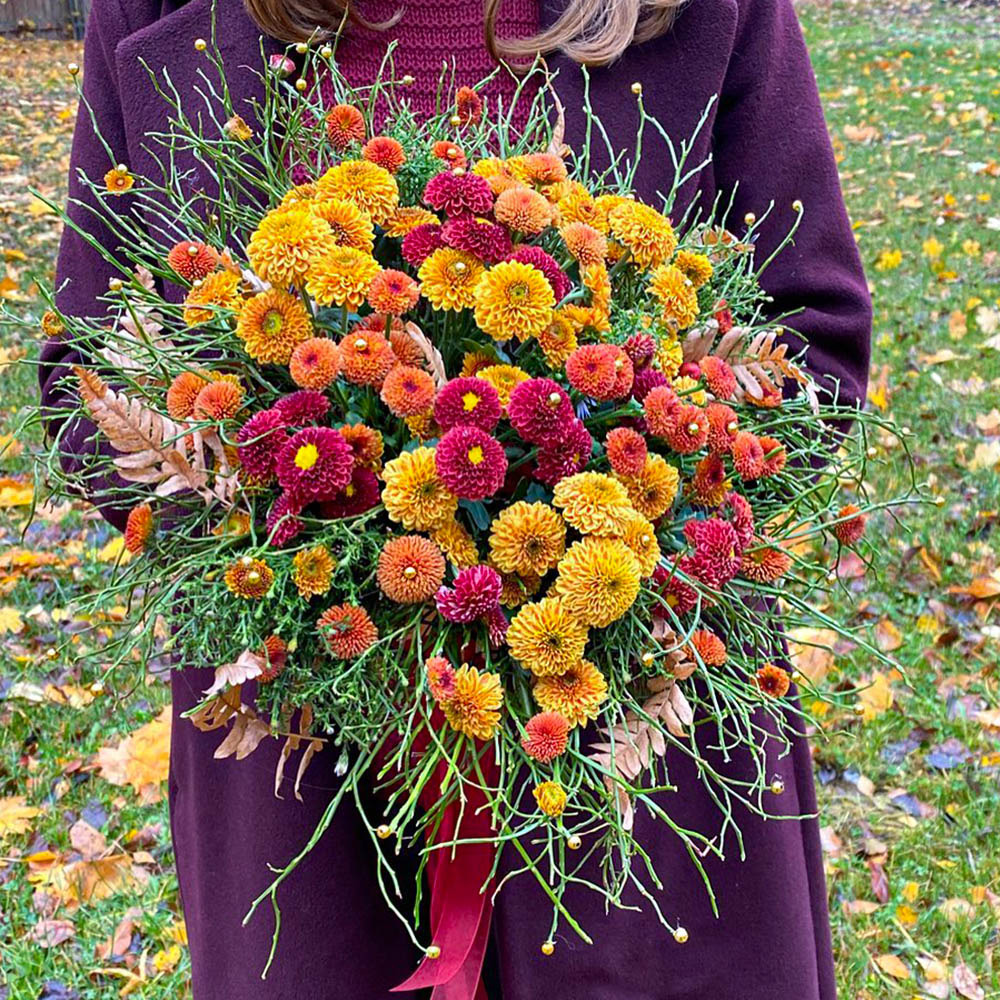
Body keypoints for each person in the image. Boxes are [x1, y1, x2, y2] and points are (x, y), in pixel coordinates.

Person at [40, 0, 870, 996]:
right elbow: (86, 382)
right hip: (302, 739)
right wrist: (295, 548)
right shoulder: (158, 14)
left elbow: (810, 341)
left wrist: (619, 501)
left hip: (630, 722)